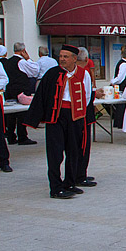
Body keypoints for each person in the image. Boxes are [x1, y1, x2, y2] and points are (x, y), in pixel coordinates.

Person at [25, 45, 92, 199]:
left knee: (73, 151)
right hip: (56, 116)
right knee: (55, 153)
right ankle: (55, 187)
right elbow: (42, 94)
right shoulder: (52, 73)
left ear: (75, 59)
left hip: (75, 116)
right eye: (61, 56)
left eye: (66, 56)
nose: (62, 59)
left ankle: (69, 183)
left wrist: (79, 111)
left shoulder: (84, 74)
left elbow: (87, 95)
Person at [2, 42, 39, 146]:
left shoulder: (8, 62)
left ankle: (11, 136)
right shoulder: (21, 62)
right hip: (20, 90)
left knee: (11, 115)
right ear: (23, 51)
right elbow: (34, 71)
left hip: (10, 90)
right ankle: (22, 136)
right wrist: (28, 59)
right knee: (22, 114)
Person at [75, 47, 98, 188]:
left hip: (77, 113)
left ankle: (80, 172)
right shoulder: (83, 73)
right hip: (82, 113)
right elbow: (87, 96)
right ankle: (80, 175)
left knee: (78, 145)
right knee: (82, 145)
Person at [110, 47, 126, 128]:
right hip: (122, 87)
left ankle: (120, 122)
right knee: (121, 105)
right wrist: (113, 82)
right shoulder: (124, 64)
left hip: (121, 86)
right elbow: (120, 77)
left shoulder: (124, 63)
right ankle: (120, 122)